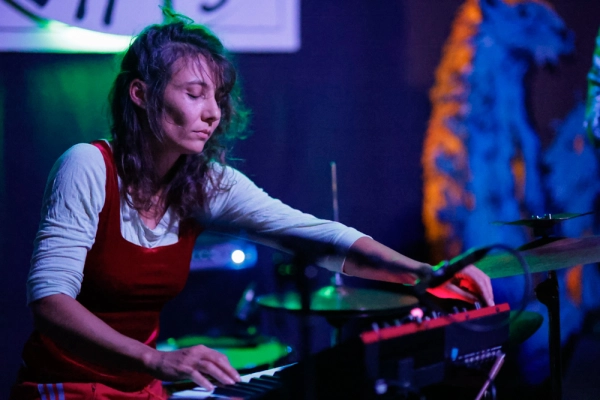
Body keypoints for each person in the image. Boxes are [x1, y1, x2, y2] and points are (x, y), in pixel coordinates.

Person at [10, 15, 494, 400]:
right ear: (141, 94)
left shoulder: (203, 182)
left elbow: (313, 235)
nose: (213, 112)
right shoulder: (87, 166)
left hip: (143, 389)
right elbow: (50, 301)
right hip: (64, 387)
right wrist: (156, 359)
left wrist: (423, 273)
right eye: (194, 94)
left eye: (217, 97)